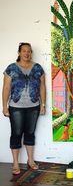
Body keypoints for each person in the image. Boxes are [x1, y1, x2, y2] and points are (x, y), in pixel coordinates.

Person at [2, 42, 46, 175]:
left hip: (34, 106)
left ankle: (30, 160)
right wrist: (4, 106)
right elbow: (6, 88)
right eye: (24, 51)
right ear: (19, 53)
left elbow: (42, 87)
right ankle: (15, 163)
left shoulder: (38, 68)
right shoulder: (11, 68)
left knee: (30, 133)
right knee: (16, 134)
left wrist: (43, 105)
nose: (27, 53)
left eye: (29, 51)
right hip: (16, 106)